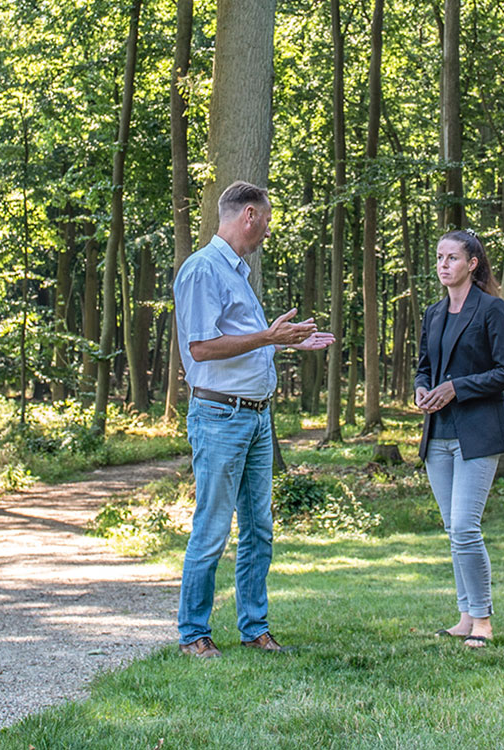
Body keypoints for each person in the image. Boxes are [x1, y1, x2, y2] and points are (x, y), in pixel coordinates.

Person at [173, 180, 334, 658]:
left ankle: (254, 628)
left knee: (259, 529)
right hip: (220, 416)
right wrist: (268, 337)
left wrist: (285, 342)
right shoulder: (204, 270)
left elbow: (245, 342)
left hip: (256, 418)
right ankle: (193, 634)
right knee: (213, 528)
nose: (267, 228)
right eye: (265, 218)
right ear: (248, 215)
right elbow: (201, 347)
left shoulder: (238, 273)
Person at [414, 229, 504, 648]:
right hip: (437, 434)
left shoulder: (492, 310)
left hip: (478, 434)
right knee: (452, 528)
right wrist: (421, 389)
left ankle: (483, 620)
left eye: (452, 258)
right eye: (439, 257)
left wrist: (458, 387)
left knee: (464, 526)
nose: (443, 265)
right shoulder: (432, 313)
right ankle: (463, 616)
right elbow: (424, 366)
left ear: (472, 264)